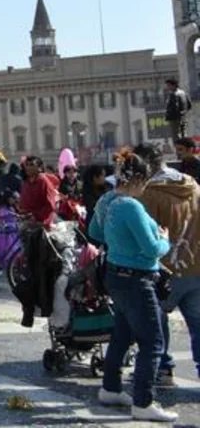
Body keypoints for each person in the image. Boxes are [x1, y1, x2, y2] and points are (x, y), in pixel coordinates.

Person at [90, 148, 176, 422]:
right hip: (137, 278)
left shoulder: (110, 202)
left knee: (123, 334)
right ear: (138, 179)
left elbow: (94, 232)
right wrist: (165, 238)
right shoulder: (131, 206)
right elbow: (152, 249)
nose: (146, 187)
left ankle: (111, 387)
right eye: (146, 182)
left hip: (116, 274)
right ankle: (143, 401)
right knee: (152, 341)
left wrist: (119, 242)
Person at [137, 142, 199, 389]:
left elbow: (143, 236)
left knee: (156, 322)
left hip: (163, 270)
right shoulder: (192, 185)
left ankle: (163, 369)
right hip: (194, 264)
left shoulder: (148, 193)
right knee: (198, 324)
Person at [18, 156, 60, 227]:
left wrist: (35, 216)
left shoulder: (43, 181)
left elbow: (50, 206)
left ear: (39, 168)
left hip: (43, 223)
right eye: (27, 165)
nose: (28, 167)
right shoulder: (26, 182)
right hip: (28, 222)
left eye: (31, 165)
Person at [166, 77, 192, 142]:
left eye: (168, 85)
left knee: (176, 134)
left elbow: (175, 106)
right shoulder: (183, 93)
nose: (168, 87)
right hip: (184, 116)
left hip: (175, 118)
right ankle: (186, 148)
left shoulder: (173, 94)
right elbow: (189, 105)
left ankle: (179, 149)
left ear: (173, 85)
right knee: (183, 133)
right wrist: (184, 112)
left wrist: (170, 115)